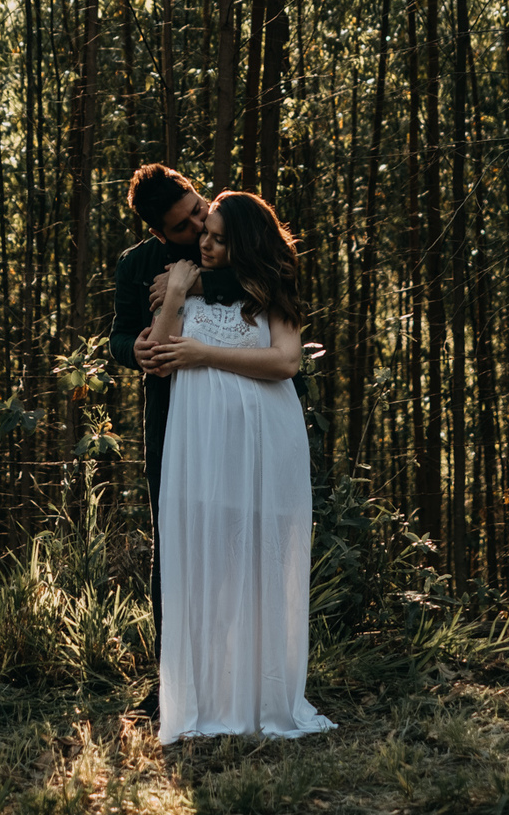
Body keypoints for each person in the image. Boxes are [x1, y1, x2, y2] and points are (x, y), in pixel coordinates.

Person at [148, 190, 335, 745]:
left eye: (219, 237)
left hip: (266, 444)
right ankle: (208, 698)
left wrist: (204, 354)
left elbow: (285, 361)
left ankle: (262, 699)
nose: (205, 242)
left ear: (244, 243)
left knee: (261, 568)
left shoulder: (269, 291)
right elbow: (159, 358)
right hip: (202, 451)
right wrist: (176, 294)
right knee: (209, 566)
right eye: (204, 233)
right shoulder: (183, 288)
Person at [109, 165, 245, 668]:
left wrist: (199, 284)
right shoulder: (136, 265)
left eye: (197, 205)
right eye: (184, 225)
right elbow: (119, 335)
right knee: (174, 535)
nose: (200, 221)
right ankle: (173, 675)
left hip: (239, 406)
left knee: (239, 527)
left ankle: (236, 666)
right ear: (159, 233)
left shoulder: (233, 232)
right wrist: (134, 352)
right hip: (170, 415)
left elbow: (273, 277)